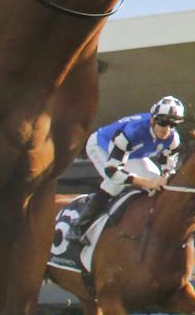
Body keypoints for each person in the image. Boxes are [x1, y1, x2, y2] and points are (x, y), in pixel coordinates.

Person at [71, 95, 185, 241]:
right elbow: (112, 171)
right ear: (153, 119)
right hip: (101, 146)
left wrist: (164, 177)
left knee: (156, 179)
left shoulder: (173, 139)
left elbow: (168, 168)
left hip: (131, 154)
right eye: (163, 122)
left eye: (173, 124)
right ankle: (79, 226)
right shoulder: (132, 132)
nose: (167, 129)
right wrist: (147, 182)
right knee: (116, 183)